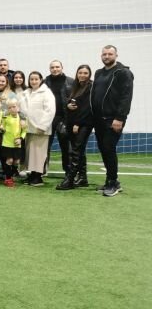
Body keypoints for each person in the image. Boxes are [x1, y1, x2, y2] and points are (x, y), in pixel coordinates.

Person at [91, 45, 134, 197]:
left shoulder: (123, 73)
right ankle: (111, 180)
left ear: (116, 55)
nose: (107, 56)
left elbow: (126, 97)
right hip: (98, 119)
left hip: (113, 119)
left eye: (110, 54)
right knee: (103, 149)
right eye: (104, 54)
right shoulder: (99, 72)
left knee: (109, 148)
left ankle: (113, 182)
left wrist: (120, 118)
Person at [56, 65, 94, 190]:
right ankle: (83, 178)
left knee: (75, 151)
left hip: (83, 124)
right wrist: (68, 105)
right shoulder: (76, 86)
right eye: (80, 72)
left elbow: (87, 108)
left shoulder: (90, 87)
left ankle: (70, 179)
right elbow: (72, 101)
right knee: (79, 151)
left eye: (85, 73)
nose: (82, 75)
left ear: (89, 74)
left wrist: (78, 123)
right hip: (72, 123)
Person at [20, 72, 55, 187]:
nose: (34, 81)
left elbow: (50, 111)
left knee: (39, 154)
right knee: (31, 154)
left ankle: (38, 177)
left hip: (40, 129)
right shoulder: (26, 93)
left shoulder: (46, 93)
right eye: (31, 79)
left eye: (36, 79)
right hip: (28, 128)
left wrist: (42, 126)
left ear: (41, 80)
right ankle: (32, 174)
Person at [0, 99, 26, 187]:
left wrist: (20, 139)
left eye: (14, 107)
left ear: (18, 107)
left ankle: (13, 173)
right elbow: (2, 127)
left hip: (17, 144)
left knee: (16, 161)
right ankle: (8, 178)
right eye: (9, 107)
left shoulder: (22, 119)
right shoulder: (5, 117)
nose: (12, 109)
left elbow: (24, 131)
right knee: (9, 160)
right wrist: (1, 129)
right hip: (7, 143)